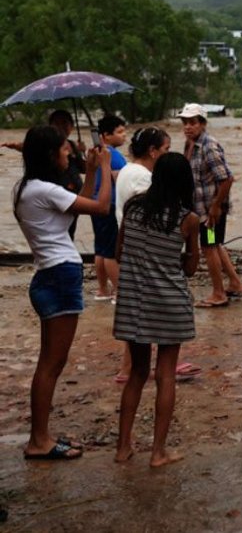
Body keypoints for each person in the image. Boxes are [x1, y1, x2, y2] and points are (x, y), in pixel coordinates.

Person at [12, 125, 112, 461]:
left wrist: (94, 170)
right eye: (64, 150)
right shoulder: (44, 190)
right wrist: (108, 169)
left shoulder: (27, 188)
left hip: (49, 274)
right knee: (51, 365)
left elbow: (77, 206)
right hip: (58, 275)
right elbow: (100, 207)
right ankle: (38, 440)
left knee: (49, 364)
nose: (69, 154)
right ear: (49, 154)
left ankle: (42, 436)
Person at [113, 153, 200, 467]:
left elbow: (120, 251)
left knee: (137, 372)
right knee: (165, 375)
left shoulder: (133, 207)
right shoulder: (187, 218)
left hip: (134, 301)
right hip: (170, 302)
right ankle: (158, 452)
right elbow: (191, 267)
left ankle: (123, 448)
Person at [112, 127, 202, 384]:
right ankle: (131, 369)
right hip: (182, 232)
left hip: (143, 244)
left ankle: (129, 369)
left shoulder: (130, 175)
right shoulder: (149, 186)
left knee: (213, 245)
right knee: (212, 246)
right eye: (164, 148)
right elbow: (190, 265)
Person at [178, 104, 242, 307]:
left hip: (211, 212)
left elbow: (226, 179)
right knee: (214, 245)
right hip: (201, 208)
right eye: (185, 123)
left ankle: (218, 293)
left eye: (192, 123)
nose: (188, 127)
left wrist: (216, 207)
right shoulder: (190, 144)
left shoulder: (209, 146)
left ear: (202, 124)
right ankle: (235, 283)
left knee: (208, 247)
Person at [4, 110, 86, 238]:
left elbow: (82, 168)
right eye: (56, 123)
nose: (61, 127)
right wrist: (16, 146)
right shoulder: (48, 147)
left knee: (70, 230)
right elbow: (32, 149)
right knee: (61, 230)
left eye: (65, 123)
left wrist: (87, 157)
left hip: (75, 190)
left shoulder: (74, 145)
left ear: (72, 126)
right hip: (60, 192)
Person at [90, 114, 128, 301]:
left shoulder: (98, 152)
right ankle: (120, 291)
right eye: (120, 132)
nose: (124, 135)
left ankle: (103, 289)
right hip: (110, 204)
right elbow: (120, 180)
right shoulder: (113, 155)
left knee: (101, 248)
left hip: (96, 204)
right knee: (111, 251)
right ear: (106, 135)